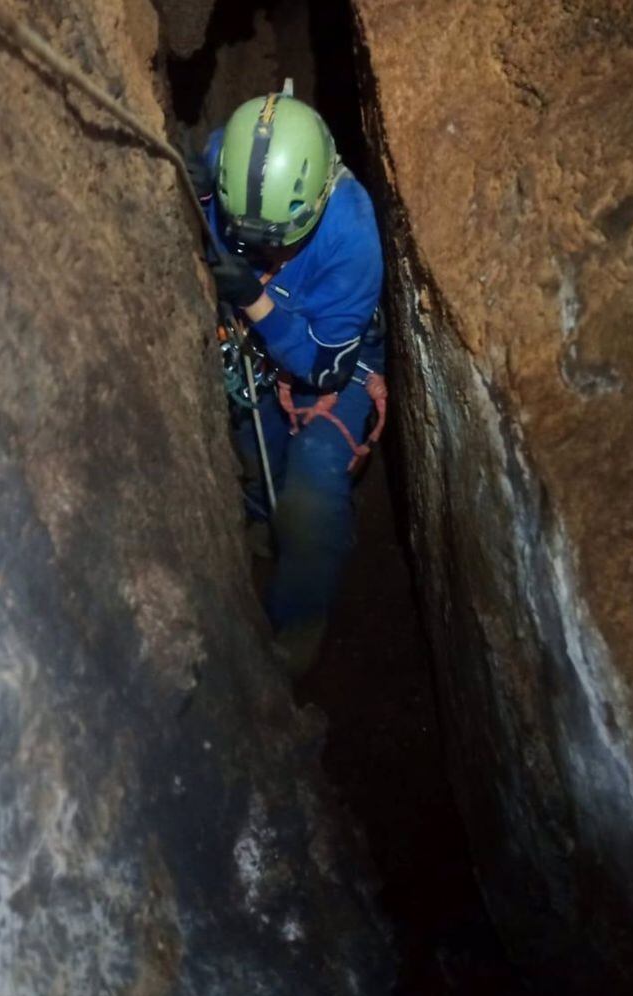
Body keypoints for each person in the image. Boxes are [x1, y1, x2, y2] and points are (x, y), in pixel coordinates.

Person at [189, 90, 385, 674]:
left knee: (312, 485)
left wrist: (254, 301)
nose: (264, 251)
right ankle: (259, 517)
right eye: (253, 238)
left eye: (280, 240)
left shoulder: (351, 238)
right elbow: (221, 225)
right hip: (260, 341)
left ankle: (301, 613)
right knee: (254, 443)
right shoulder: (231, 157)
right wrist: (203, 192)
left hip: (331, 354)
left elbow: (327, 367)